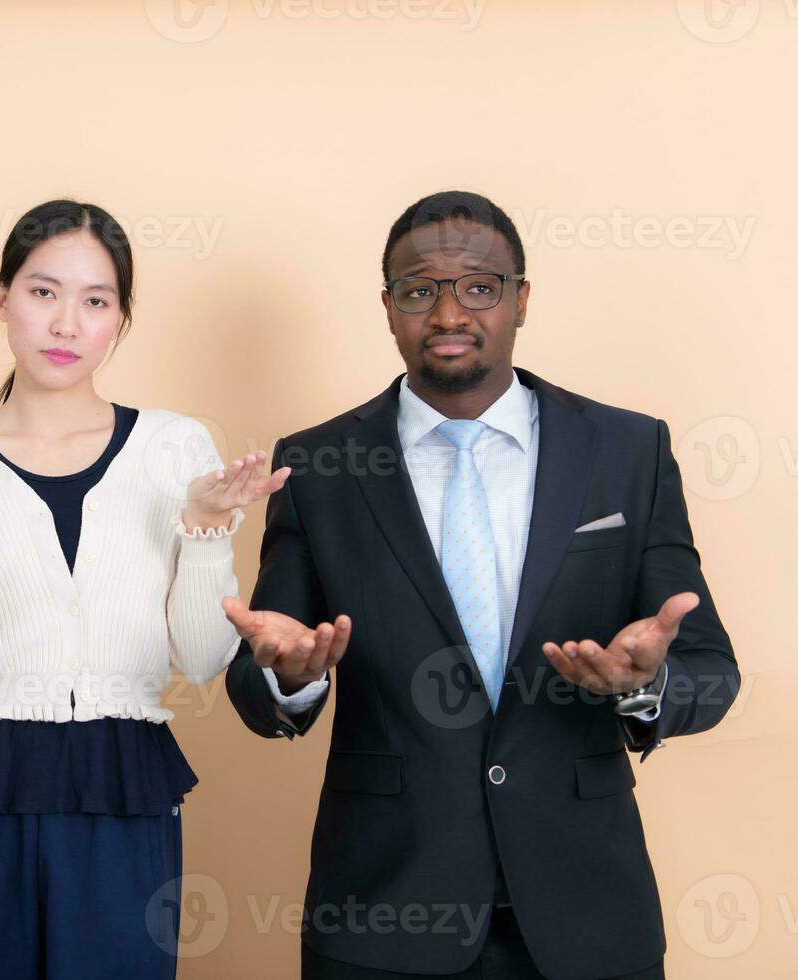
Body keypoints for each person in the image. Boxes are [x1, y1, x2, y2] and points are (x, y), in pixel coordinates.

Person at [223, 190, 739, 979]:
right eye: (418, 289)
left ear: (519, 299)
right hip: (382, 912)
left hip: (587, 915)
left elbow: (709, 669)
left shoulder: (625, 450)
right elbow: (266, 664)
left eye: (478, 286)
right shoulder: (317, 464)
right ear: (388, 307)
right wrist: (286, 679)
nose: (447, 313)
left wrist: (645, 685)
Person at [0, 199, 287, 978]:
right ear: (0, 298)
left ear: (119, 320)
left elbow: (202, 658)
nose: (66, 324)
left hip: (122, 780)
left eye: (94, 301)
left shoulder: (176, 448)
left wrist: (204, 526)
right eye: (43, 293)